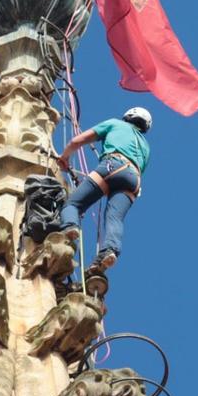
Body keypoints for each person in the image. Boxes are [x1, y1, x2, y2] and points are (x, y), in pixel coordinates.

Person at [56, 106, 152, 272]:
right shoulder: (146, 146)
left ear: (128, 116)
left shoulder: (115, 124)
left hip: (113, 165)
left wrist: (65, 157)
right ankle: (109, 251)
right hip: (133, 180)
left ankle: (70, 227)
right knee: (114, 218)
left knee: (73, 204)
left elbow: (76, 141)